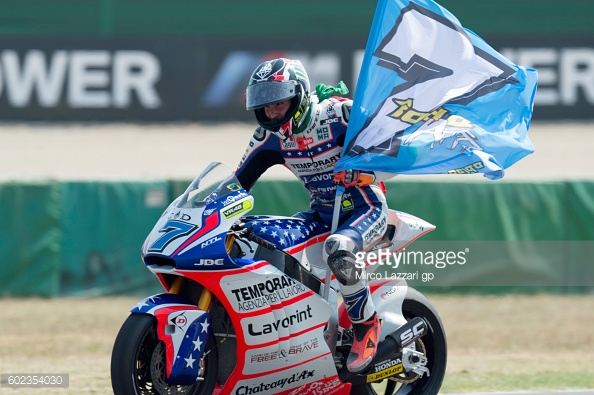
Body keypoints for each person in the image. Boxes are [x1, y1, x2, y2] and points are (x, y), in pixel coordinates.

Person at [235, 58, 388, 373]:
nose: (272, 113)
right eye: (266, 107)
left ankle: (366, 325)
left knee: (338, 248)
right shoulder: (269, 137)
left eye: (279, 103)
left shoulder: (338, 115)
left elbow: (395, 153)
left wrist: (363, 172)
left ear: (299, 95)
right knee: (255, 232)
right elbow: (237, 183)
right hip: (320, 214)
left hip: (365, 209)